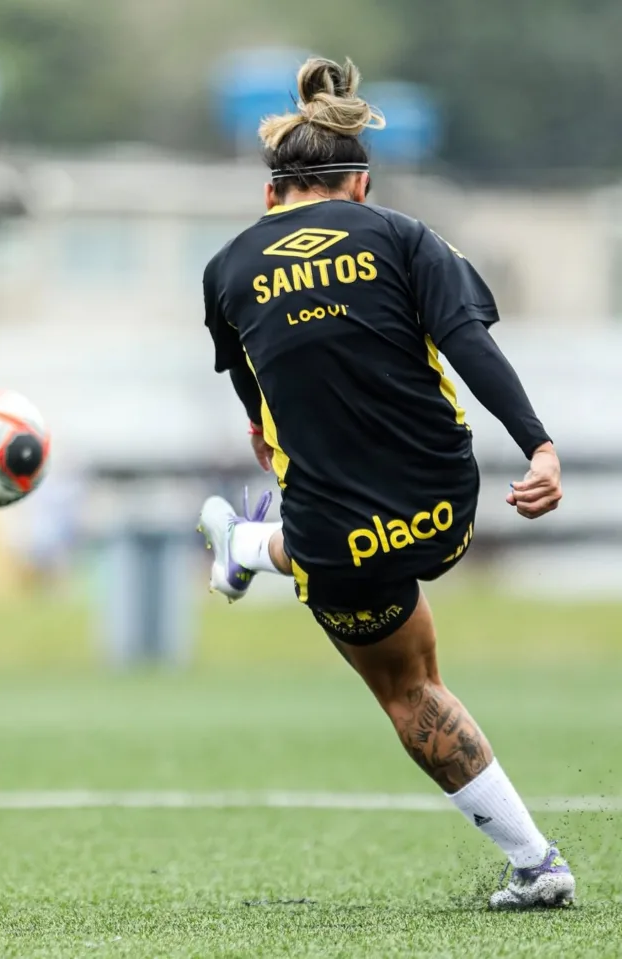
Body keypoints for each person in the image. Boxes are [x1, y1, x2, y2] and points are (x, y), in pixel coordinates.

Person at [198, 56, 574, 911]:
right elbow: (470, 343)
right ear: (359, 185)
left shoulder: (226, 269)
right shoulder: (407, 238)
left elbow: (246, 370)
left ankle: (538, 864)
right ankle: (246, 543)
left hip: (338, 532)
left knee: (408, 690)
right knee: (426, 665)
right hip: (445, 504)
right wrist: (539, 446)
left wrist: (260, 423)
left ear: (270, 195)